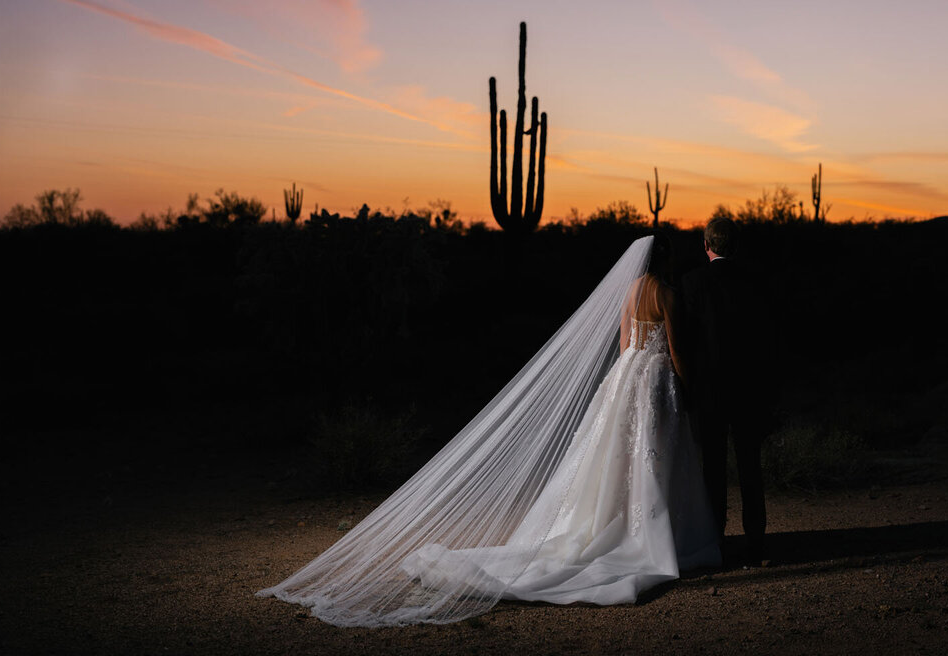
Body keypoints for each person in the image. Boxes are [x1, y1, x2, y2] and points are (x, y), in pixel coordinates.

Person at [258, 234, 719, 626]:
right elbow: (678, 350)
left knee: (618, 457)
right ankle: (654, 535)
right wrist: (684, 383)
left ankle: (617, 526)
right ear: (666, 258)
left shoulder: (632, 289)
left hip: (626, 377)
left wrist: (625, 379)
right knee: (653, 454)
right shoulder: (667, 294)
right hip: (655, 377)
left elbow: (623, 342)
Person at [680, 216, 767, 565]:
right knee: (750, 466)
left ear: (706, 246)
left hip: (710, 391)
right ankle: (755, 540)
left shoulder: (692, 283)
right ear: (737, 245)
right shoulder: (756, 282)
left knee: (712, 469)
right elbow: (767, 341)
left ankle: (716, 540)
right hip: (748, 389)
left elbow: (685, 341)